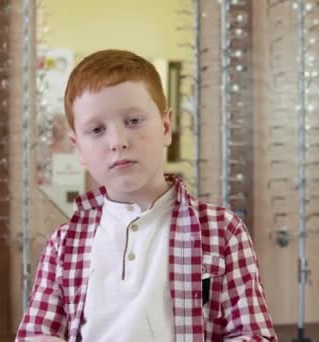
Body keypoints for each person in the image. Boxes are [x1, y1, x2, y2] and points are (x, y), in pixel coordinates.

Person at [17, 49, 276, 341]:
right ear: (78, 148)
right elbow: (35, 333)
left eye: (133, 121)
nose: (118, 141)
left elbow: (254, 335)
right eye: (97, 129)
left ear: (166, 128)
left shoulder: (222, 231)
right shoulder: (62, 245)